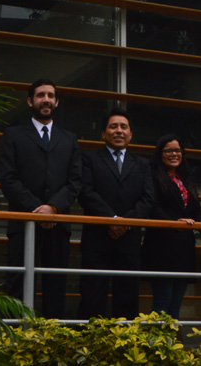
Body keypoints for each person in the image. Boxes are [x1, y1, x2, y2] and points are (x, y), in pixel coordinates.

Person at [0, 78, 81, 318]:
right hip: (24, 222)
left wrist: (53, 208)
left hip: (58, 224)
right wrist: (38, 209)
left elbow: (75, 182)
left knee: (56, 285)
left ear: (57, 102)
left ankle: (52, 336)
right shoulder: (13, 135)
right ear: (30, 101)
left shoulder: (69, 139)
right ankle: (16, 332)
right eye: (41, 95)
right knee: (18, 282)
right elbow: (8, 179)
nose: (46, 100)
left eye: (50, 96)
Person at [77, 108, 155, 320]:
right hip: (97, 239)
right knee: (92, 296)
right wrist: (111, 220)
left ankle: (125, 338)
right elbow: (86, 193)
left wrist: (125, 223)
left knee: (127, 297)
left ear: (131, 134)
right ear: (103, 133)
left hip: (129, 240)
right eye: (113, 127)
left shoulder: (142, 164)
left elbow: (148, 198)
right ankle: (91, 338)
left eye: (123, 127)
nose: (119, 131)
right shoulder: (89, 159)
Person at [141, 134, 201, 318]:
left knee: (176, 303)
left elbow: (195, 210)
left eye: (177, 150)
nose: (174, 154)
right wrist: (172, 223)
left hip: (183, 248)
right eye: (168, 150)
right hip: (162, 247)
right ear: (160, 154)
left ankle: (172, 336)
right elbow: (152, 206)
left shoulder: (185, 178)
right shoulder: (153, 176)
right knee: (162, 302)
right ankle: (157, 337)